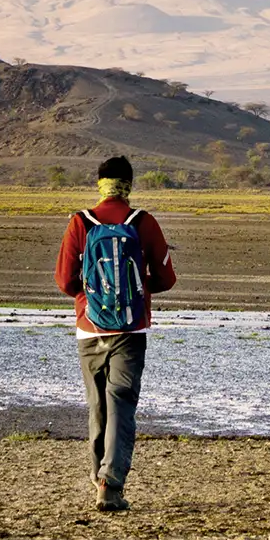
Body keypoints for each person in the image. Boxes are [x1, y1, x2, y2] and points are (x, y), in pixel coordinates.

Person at [54, 154, 176, 512]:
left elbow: (64, 281)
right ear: (128, 185)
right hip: (131, 329)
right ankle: (111, 484)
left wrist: (93, 293)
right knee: (121, 404)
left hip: (88, 329)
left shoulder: (80, 222)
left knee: (97, 406)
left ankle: (98, 475)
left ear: (100, 184)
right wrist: (137, 289)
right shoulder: (144, 222)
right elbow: (167, 279)